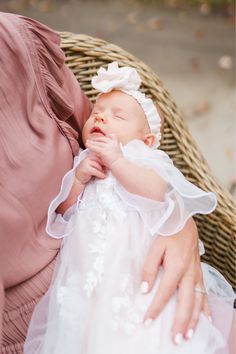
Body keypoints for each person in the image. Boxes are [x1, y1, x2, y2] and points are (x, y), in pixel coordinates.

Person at [0, 12, 223, 351]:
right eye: (98, 113)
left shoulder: (141, 159)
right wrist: (76, 181)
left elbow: (158, 192)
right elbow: (61, 210)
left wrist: (119, 161)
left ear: (146, 140)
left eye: (117, 116)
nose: (100, 117)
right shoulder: (83, 162)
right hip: (86, 273)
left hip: (135, 263)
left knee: (150, 320)